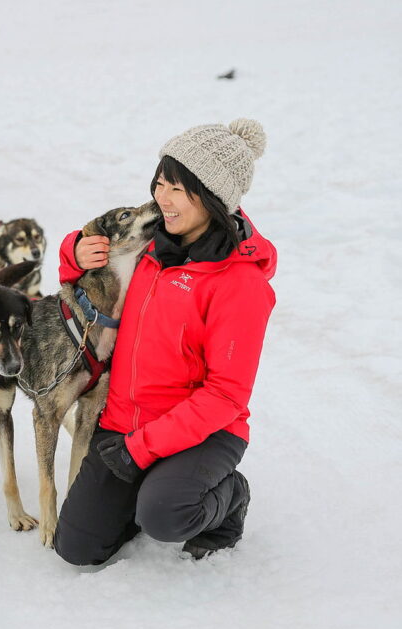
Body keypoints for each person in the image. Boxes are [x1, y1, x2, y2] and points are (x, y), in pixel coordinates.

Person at [53, 119, 277, 566]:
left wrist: (141, 451)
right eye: (159, 183)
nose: (162, 198)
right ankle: (145, 491)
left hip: (204, 434)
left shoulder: (239, 284)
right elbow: (88, 265)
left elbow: (226, 395)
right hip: (123, 423)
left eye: (177, 188)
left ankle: (229, 499)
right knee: (76, 549)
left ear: (212, 196)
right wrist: (73, 252)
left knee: (165, 515)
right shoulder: (151, 246)